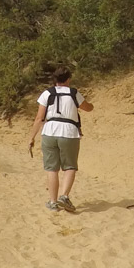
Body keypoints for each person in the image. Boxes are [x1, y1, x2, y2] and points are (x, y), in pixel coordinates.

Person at [26, 66, 94, 212]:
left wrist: (31, 137)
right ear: (68, 79)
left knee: (52, 169)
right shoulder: (74, 93)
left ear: (54, 80)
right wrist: (91, 105)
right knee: (70, 166)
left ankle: (53, 202)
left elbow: (39, 118)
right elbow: (87, 108)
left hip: (49, 132)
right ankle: (64, 196)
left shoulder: (47, 93)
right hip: (69, 133)